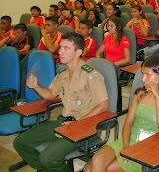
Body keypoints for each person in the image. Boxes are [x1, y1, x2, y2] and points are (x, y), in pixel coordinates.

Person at [13, 32, 109, 172]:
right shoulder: (63, 73)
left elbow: (104, 104)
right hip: (63, 121)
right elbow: (51, 94)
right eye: (61, 47)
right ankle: (49, 169)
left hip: (83, 126)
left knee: (48, 158)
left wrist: (78, 122)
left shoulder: (90, 75)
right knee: (20, 142)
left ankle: (50, 167)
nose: (60, 51)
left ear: (78, 52)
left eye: (66, 48)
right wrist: (36, 86)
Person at [85, 54, 159, 172]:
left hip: (148, 147)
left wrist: (158, 97)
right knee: (97, 161)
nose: (143, 79)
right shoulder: (139, 94)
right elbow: (128, 123)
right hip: (130, 140)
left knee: (96, 170)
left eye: (147, 75)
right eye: (143, 74)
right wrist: (125, 146)